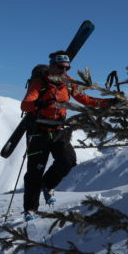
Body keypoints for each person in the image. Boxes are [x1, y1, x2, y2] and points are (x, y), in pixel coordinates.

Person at [20, 51, 114, 220]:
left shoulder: (69, 83)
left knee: (68, 160)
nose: (64, 70)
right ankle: (31, 209)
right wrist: (37, 103)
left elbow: (86, 100)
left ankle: (47, 185)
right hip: (38, 131)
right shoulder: (39, 82)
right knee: (34, 171)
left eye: (67, 67)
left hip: (58, 129)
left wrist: (108, 103)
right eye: (60, 67)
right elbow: (25, 105)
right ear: (52, 66)